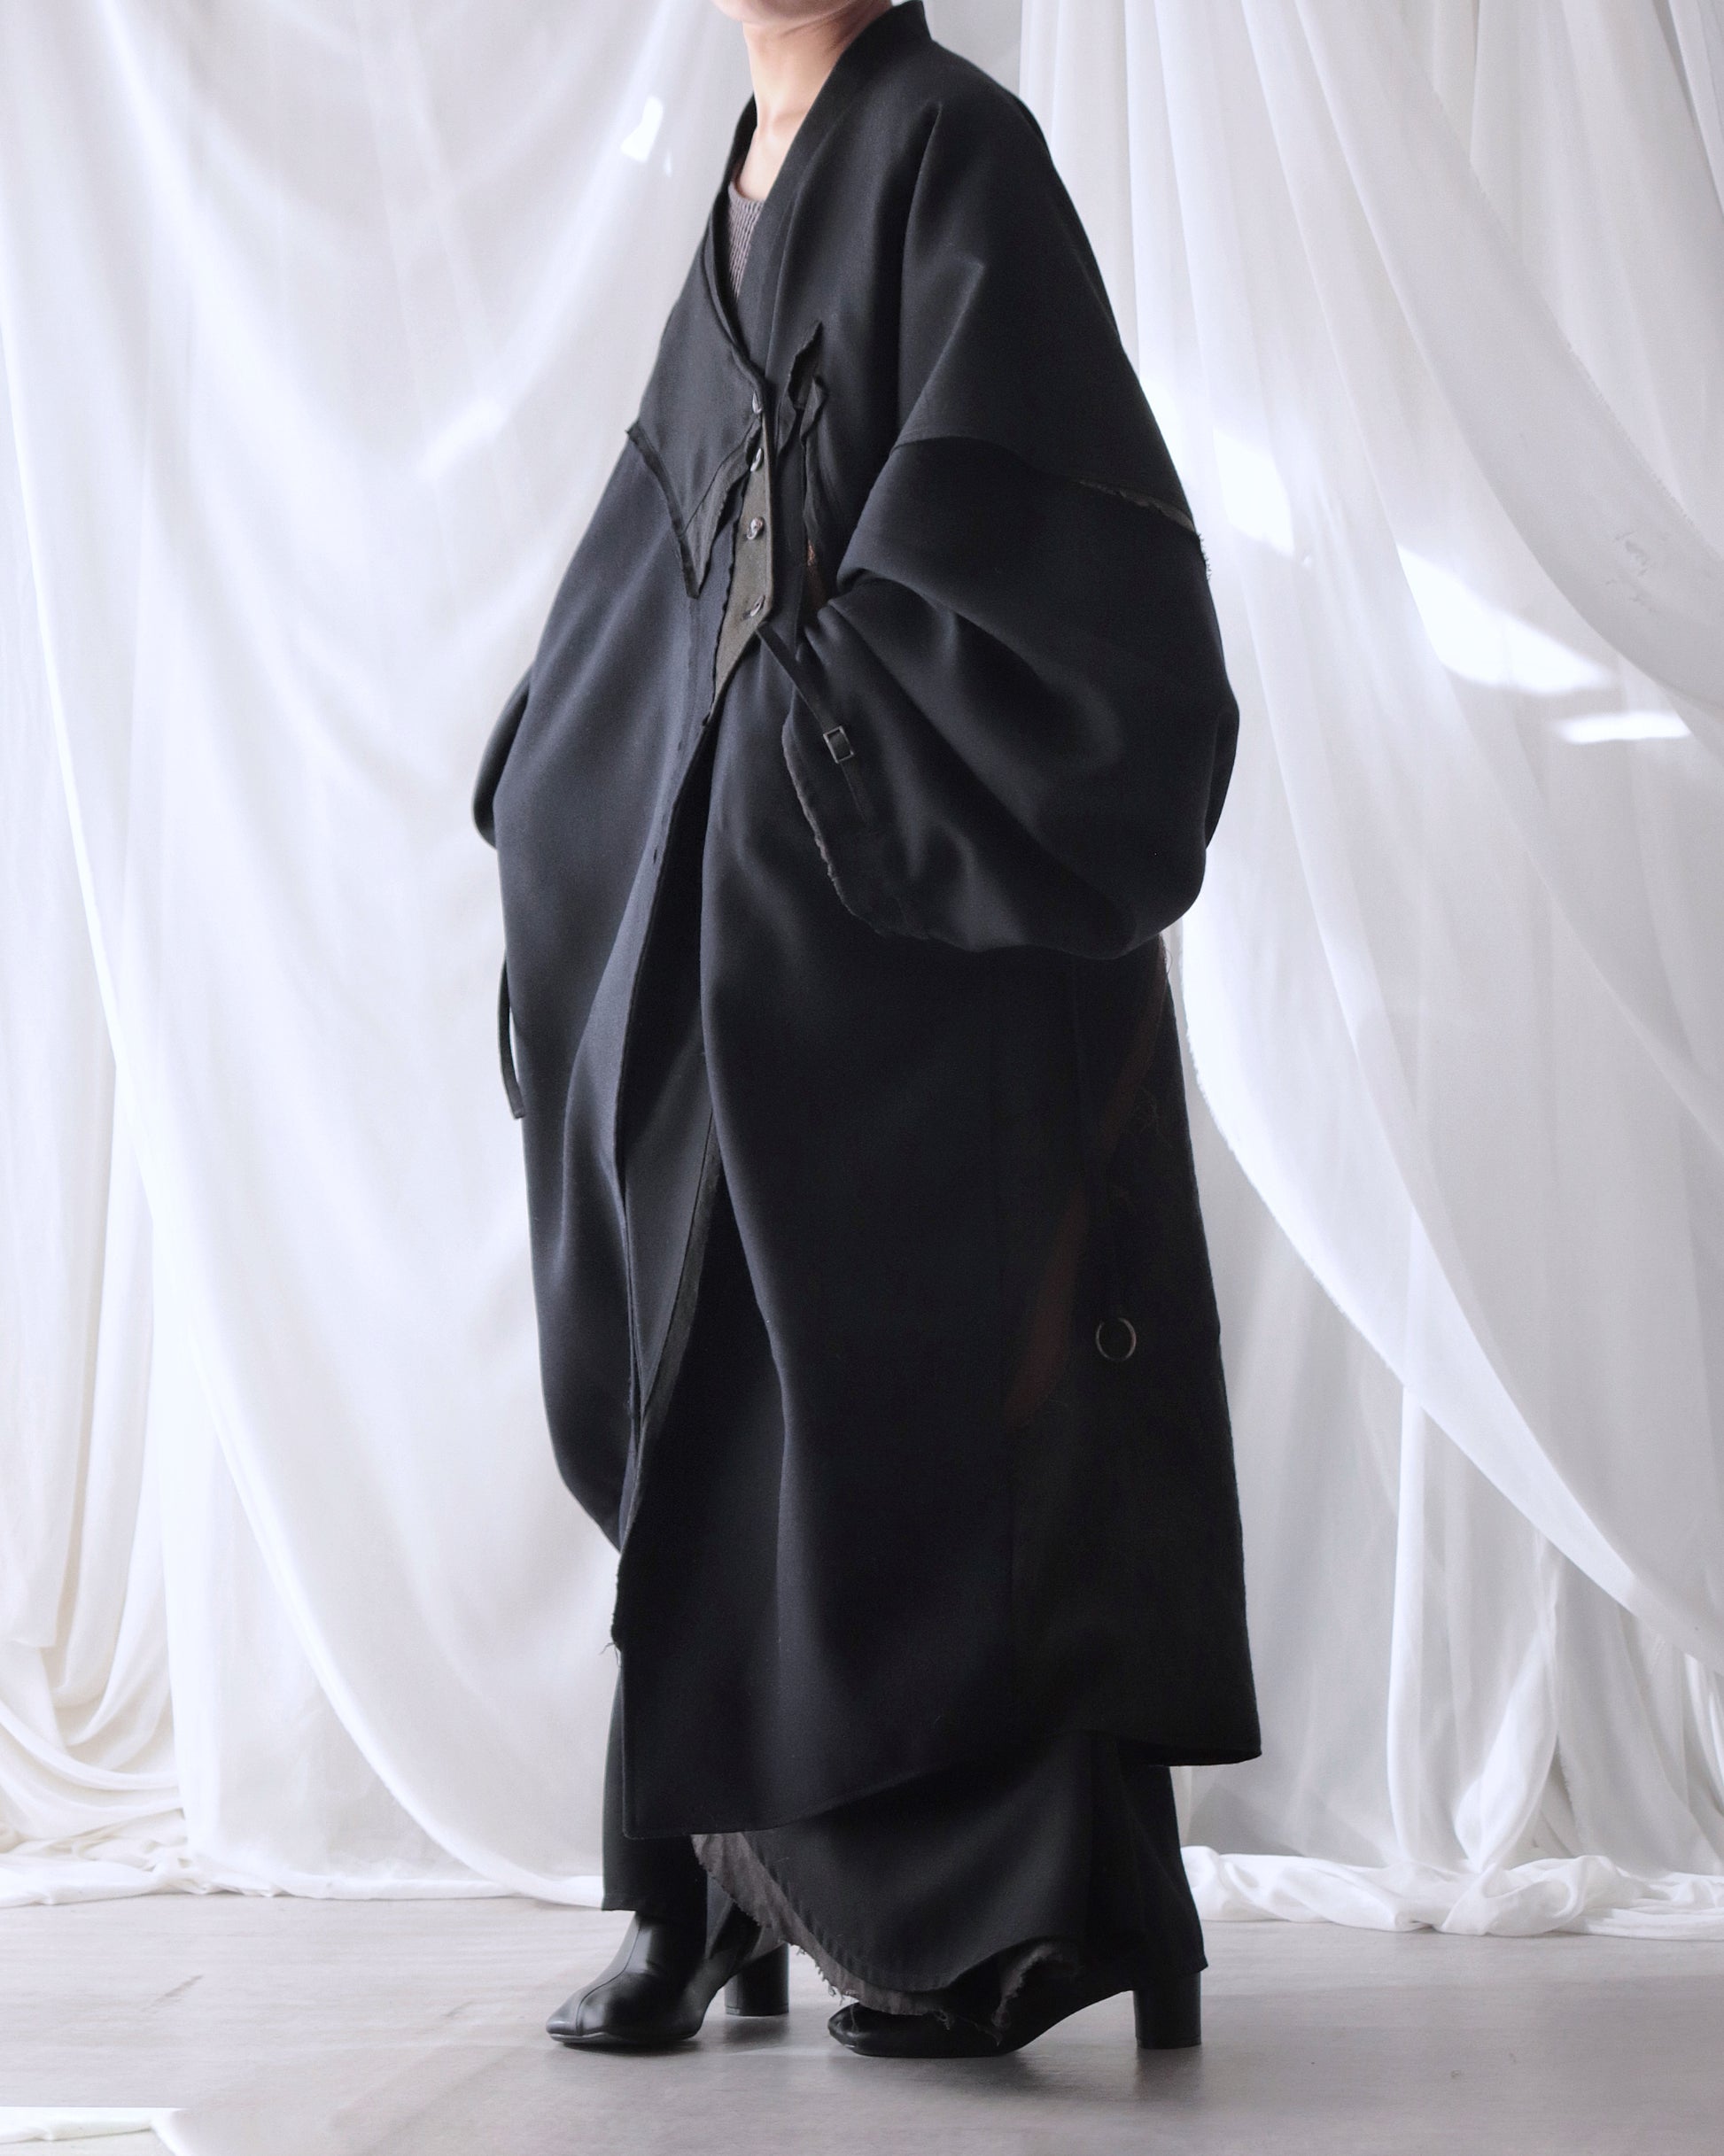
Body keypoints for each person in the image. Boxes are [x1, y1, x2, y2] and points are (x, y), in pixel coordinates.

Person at [473, 0, 1259, 2060]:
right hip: (749, 919)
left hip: (916, 934)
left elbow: (1049, 569)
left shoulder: (949, 147)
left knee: (930, 1379)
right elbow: (660, 561)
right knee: (679, 1339)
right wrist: (575, 781)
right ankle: (702, 1879)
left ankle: (999, 1917)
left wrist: (788, 760)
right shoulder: (743, 186)